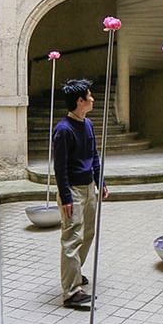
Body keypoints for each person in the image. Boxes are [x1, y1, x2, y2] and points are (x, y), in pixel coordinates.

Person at [53, 79, 108, 308]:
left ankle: (75, 275)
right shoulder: (63, 130)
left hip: (88, 188)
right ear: (80, 101)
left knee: (88, 233)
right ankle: (71, 292)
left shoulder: (87, 124)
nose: (93, 98)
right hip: (73, 191)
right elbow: (60, 166)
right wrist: (66, 197)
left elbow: (94, 155)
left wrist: (100, 180)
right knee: (72, 238)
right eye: (89, 95)